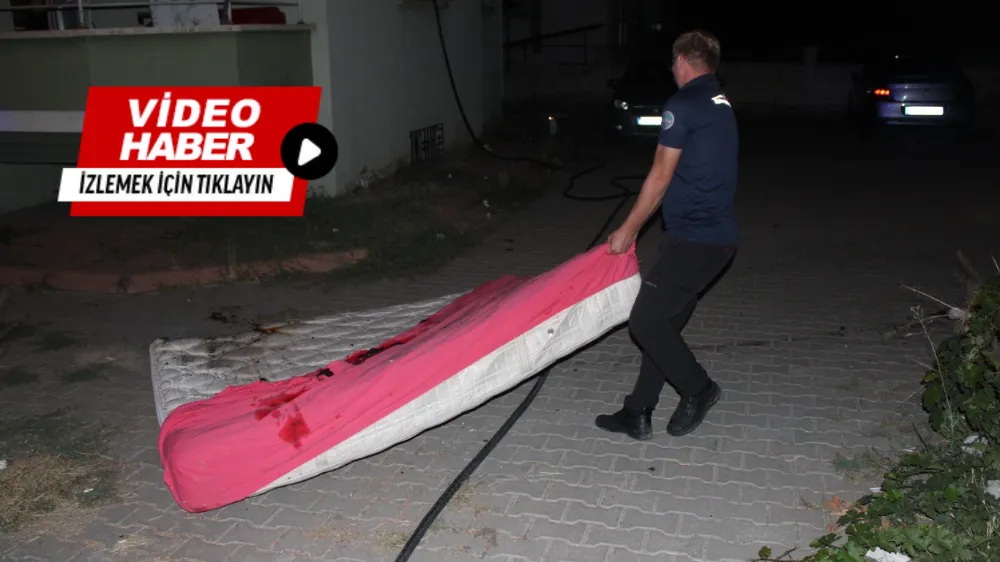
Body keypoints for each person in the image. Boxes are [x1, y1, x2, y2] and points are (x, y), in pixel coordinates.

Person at [596, 29, 738, 440]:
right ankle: (637, 411)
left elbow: (660, 175)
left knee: (645, 321)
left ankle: (700, 388)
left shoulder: (683, 103)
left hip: (696, 239)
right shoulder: (719, 100)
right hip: (715, 239)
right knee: (665, 324)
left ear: (680, 61)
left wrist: (628, 230)